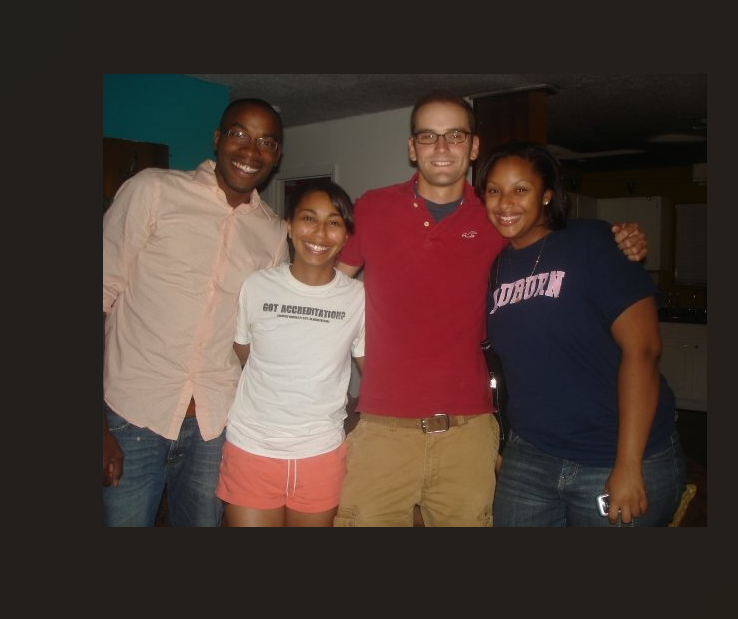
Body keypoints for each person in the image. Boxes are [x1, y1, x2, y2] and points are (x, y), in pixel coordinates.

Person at [333, 91, 649, 527]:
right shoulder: (371, 208)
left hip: (469, 432)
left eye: (455, 135)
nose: (442, 148)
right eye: (428, 136)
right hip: (382, 430)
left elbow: (553, 235)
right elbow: (326, 288)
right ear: (412, 147)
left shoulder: (495, 214)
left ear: (474, 146)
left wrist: (616, 237)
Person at [475, 141, 686, 526]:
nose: (505, 202)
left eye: (520, 189)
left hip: (614, 451)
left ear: (547, 195)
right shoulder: (493, 267)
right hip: (532, 453)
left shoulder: (591, 242)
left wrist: (628, 463)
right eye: (494, 190)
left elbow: (643, 350)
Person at [103, 98, 289, 526]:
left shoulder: (274, 233)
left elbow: (261, 336)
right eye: (239, 134)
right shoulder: (153, 190)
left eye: (266, 142)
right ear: (218, 139)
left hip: (215, 424)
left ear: (277, 156)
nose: (250, 151)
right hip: (132, 414)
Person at [216, 180, 365, 527]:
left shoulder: (357, 299)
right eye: (308, 218)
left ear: (346, 236)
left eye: (334, 222)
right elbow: (244, 351)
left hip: (320, 454)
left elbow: (372, 369)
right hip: (252, 450)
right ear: (289, 225)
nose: (319, 232)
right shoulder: (257, 285)